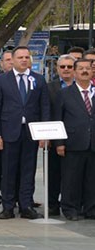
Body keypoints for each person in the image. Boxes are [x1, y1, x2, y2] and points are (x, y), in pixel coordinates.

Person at [0, 46, 50, 220]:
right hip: (9, 131)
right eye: (20, 57)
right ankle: (8, 206)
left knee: (28, 170)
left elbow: (44, 107)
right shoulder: (2, 80)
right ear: (13, 60)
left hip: (31, 132)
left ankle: (26, 205)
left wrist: (44, 133)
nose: (24, 60)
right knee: (8, 171)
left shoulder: (38, 80)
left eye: (27, 57)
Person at [53, 59, 95, 221]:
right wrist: (59, 143)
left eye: (88, 68)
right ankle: (70, 209)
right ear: (75, 72)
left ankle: (91, 209)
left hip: (92, 143)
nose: (85, 71)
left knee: (91, 179)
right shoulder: (64, 93)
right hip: (72, 143)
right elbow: (58, 118)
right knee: (71, 179)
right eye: (81, 68)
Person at [45, 55, 76, 216]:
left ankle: (71, 204)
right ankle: (52, 204)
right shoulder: (50, 87)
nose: (65, 70)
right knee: (54, 174)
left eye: (69, 67)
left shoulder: (82, 87)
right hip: (55, 138)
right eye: (62, 67)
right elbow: (46, 111)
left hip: (77, 138)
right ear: (57, 68)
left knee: (72, 175)